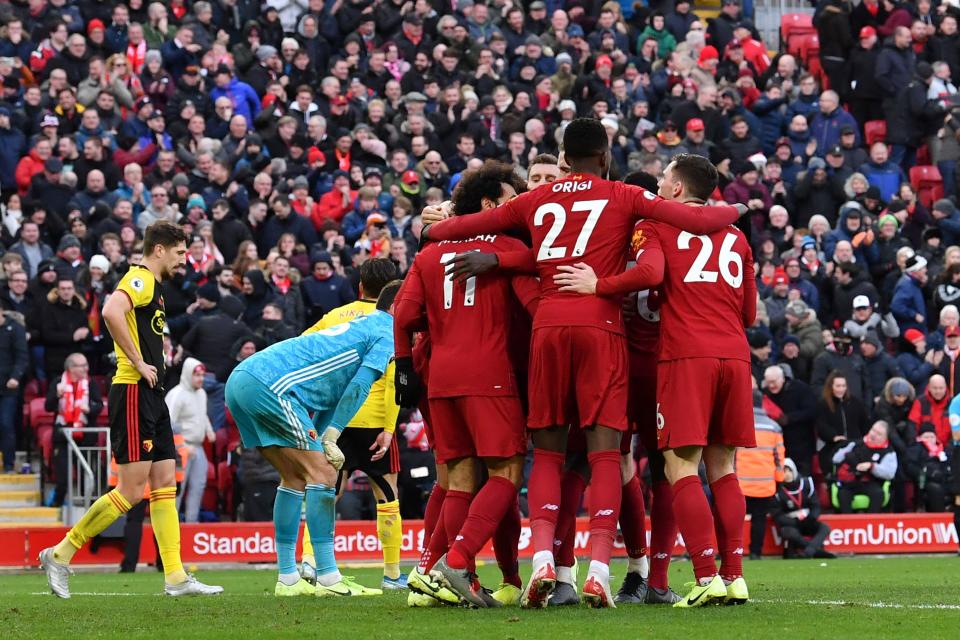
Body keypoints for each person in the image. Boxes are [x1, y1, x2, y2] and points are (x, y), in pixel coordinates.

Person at [422, 121, 742, 608]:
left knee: (548, 455)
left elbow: (466, 227)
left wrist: (433, 227)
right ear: (606, 153)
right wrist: (741, 208)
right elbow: (697, 222)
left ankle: (546, 564)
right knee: (610, 456)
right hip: (604, 330)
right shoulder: (623, 196)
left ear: (563, 157)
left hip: (547, 329)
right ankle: (601, 572)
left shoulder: (535, 200)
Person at [552, 153, 756, 607]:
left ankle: (698, 576)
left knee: (666, 467)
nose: (659, 186)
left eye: (665, 178)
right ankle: (730, 573)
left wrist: (600, 286)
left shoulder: (651, 228)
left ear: (677, 189)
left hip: (673, 360)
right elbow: (750, 313)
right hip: (734, 355)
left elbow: (651, 272)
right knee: (723, 468)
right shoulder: (737, 235)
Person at [39, 221, 222, 598]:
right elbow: (110, 311)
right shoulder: (140, 279)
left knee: (165, 486)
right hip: (134, 390)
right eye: (179, 252)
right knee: (131, 491)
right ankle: (60, 553)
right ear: (159, 250)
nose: (183, 260)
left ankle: (175, 576)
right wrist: (138, 361)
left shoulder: (155, 288)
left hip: (152, 394)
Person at [224, 281, 402, 597]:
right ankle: (329, 578)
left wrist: (323, 436)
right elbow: (360, 386)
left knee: (293, 478)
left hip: (242, 379)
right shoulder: (387, 331)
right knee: (324, 473)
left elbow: (328, 398)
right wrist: (332, 438)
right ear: (397, 306)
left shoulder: (358, 326)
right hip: (270, 386)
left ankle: (288, 579)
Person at [297, 258, 408, 591]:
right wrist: (389, 428)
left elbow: (304, 346)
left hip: (337, 422)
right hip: (375, 422)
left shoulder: (335, 317)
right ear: (395, 290)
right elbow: (392, 381)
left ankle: (309, 562)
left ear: (360, 286)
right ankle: (391, 575)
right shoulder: (392, 323)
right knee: (387, 497)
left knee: (324, 490)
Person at [165, 357, 214, 523]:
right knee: (178, 489)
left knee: (198, 486)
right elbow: (167, 424)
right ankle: (172, 526)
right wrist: (183, 446)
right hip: (180, 448)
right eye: (197, 375)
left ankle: (192, 525)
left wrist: (209, 430)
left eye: (202, 375)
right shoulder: (176, 395)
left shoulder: (202, 393)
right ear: (187, 374)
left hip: (198, 447)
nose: (201, 379)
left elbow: (202, 415)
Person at [737, 389, 785, 560]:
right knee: (759, 519)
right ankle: (756, 552)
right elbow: (779, 458)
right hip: (765, 484)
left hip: (740, 483)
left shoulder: (739, 423)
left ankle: (730, 553)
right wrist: (779, 480)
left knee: (734, 520)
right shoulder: (774, 427)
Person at [769, 458, 835, 559]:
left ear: (793, 470)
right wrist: (794, 522)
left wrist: (811, 518)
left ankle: (808, 552)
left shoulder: (806, 483)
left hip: (807, 520)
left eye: (788, 470)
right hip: (791, 523)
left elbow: (816, 505)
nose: (786, 474)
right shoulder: (776, 491)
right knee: (788, 532)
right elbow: (777, 516)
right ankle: (815, 551)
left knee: (824, 528)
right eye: (783, 471)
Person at [832, 420, 898, 513]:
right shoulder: (856, 443)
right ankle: (849, 524)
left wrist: (872, 466)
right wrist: (847, 450)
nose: (873, 434)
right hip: (851, 481)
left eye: (878, 434)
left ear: (885, 438)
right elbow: (835, 459)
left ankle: (869, 523)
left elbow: (890, 473)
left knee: (878, 494)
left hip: (872, 482)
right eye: (873, 430)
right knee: (843, 494)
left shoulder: (889, 452)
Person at [816, 370, 870, 477]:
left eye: (843, 386)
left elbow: (864, 424)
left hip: (855, 445)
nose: (841, 389)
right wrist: (833, 436)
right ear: (831, 387)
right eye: (838, 386)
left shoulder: (855, 402)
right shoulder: (823, 404)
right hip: (832, 447)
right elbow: (821, 425)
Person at [0, 309, 27, 474]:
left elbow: (22, 356)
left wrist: (15, 377)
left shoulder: (15, 328)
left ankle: (9, 464)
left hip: (8, 386)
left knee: (5, 423)